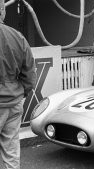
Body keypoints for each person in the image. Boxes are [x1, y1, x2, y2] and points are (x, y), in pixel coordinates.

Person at [0, 0, 37, 168]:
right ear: (2, 11)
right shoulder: (17, 36)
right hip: (14, 104)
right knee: (11, 153)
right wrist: (22, 93)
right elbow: (29, 73)